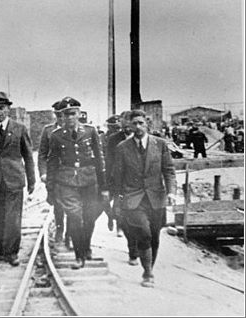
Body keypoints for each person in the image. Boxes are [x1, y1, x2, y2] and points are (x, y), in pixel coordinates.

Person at [113, 110, 177, 288]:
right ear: (130, 126)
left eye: (141, 123)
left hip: (156, 198)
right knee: (144, 233)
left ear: (147, 124)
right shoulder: (122, 148)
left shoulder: (160, 145)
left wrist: (171, 192)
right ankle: (147, 272)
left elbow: (169, 171)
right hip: (133, 200)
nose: (138, 127)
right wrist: (118, 201)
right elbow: (117, 178)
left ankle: (149, 267)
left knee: (155, 237)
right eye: (135, 124)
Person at [47, 97, 106, 269]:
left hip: (89, 180)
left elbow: (100, 159)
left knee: (89, 218)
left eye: (73, 113)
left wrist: (103, 186)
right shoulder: (56, 136)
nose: (69, 117)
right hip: (67, 182)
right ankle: (79, 255)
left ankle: (86, 247)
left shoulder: (90, 131)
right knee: (74, 217)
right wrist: (50, 188)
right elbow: (52, 163)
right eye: (66, 114)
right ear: (62, 116)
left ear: (79, 114)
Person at [0, 91, 35, 267]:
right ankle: (1, 250)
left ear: (8, 109)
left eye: (2, 108)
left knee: (13, 219)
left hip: (14, 180)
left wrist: (32, 180)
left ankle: (12, 252)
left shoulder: (19, 129)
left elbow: (28, 157)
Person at [105, 111, 139, 265]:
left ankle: (136, 249)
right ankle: (118, 224)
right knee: (120, 208)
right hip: (119, 180)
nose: (127, 126)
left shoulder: (145, 137)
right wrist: (109, 180)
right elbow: (108, 160)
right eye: (124, 123)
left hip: (139, 184)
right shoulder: (114, 139)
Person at [38, 101, 69, 246]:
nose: (61, 118)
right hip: (54, 174)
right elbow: (42, 154)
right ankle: (59, 230)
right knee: (58, 204)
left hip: (70, 174)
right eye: (58, 115)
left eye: (63, 114)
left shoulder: (73, 129)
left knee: (74, 205)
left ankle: (70, 234)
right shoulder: (48, 130)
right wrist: (43, 173)